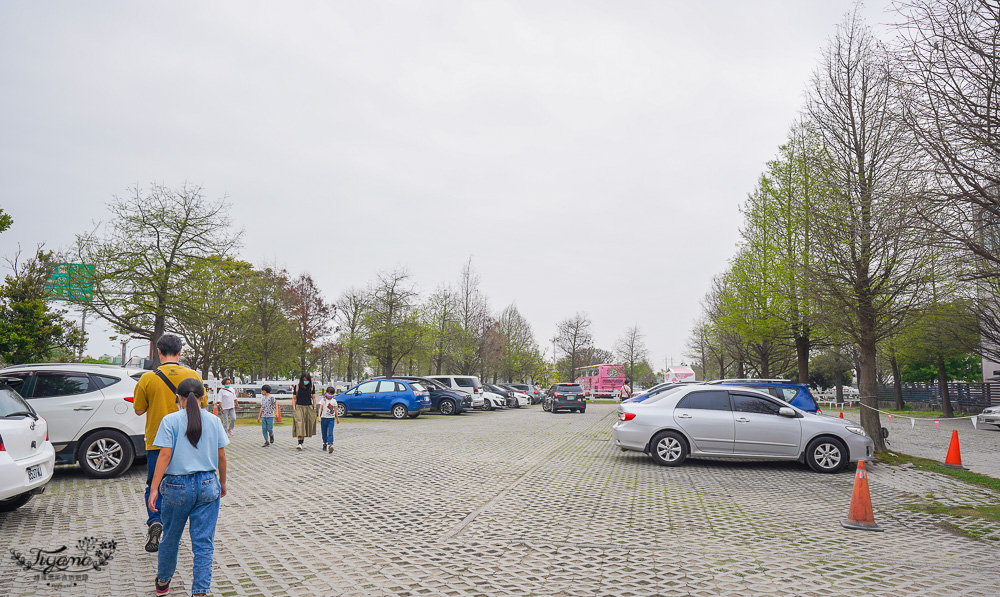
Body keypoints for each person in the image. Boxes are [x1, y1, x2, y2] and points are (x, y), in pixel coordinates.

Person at [149, 377, 228, 597]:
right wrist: (222, 482)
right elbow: (221, 456)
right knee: (203, 543)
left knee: (171, 537)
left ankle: (163, 581)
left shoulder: (169, 420)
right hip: (208, 485)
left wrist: (154, 487)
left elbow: (164, 455)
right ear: (203, 397)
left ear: (178, 397)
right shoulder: (214, 421)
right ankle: (200, 591)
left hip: (176, 486)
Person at [133, 334, 206, 553]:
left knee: (155, 486)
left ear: (158, 352)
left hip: (157, 442)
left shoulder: (147, 378)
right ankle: (177, 526)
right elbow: (202, 407)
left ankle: (155, 520)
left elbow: (138, 410)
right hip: (189, 440)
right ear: (180, 352)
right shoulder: (193, 375)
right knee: (185, 484)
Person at [291, 373, 317, 450]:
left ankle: (301, 442)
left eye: (307, 380)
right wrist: (294, 408)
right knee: (299, 423)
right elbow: (294, 398)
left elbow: (314, 398)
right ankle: (299, 443)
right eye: (304, 379)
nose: (305, 381)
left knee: (306, 424)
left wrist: (314, 407)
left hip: (308, 407)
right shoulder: (297, 387)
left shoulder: (311, 387)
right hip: (299, 406)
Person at [317, 387, 340, 453]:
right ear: (326, 392)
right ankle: (325, 442)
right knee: (324, 433)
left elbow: (335, 410)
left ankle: (330, 444)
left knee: (330, 432)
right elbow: (320, 408)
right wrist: (319, 416)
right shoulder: (323, 400)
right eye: (328, 393)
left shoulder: (334, 401)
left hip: (331, 419)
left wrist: (337, 418)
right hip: (324, 418)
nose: (329, 395)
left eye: (331, 394)